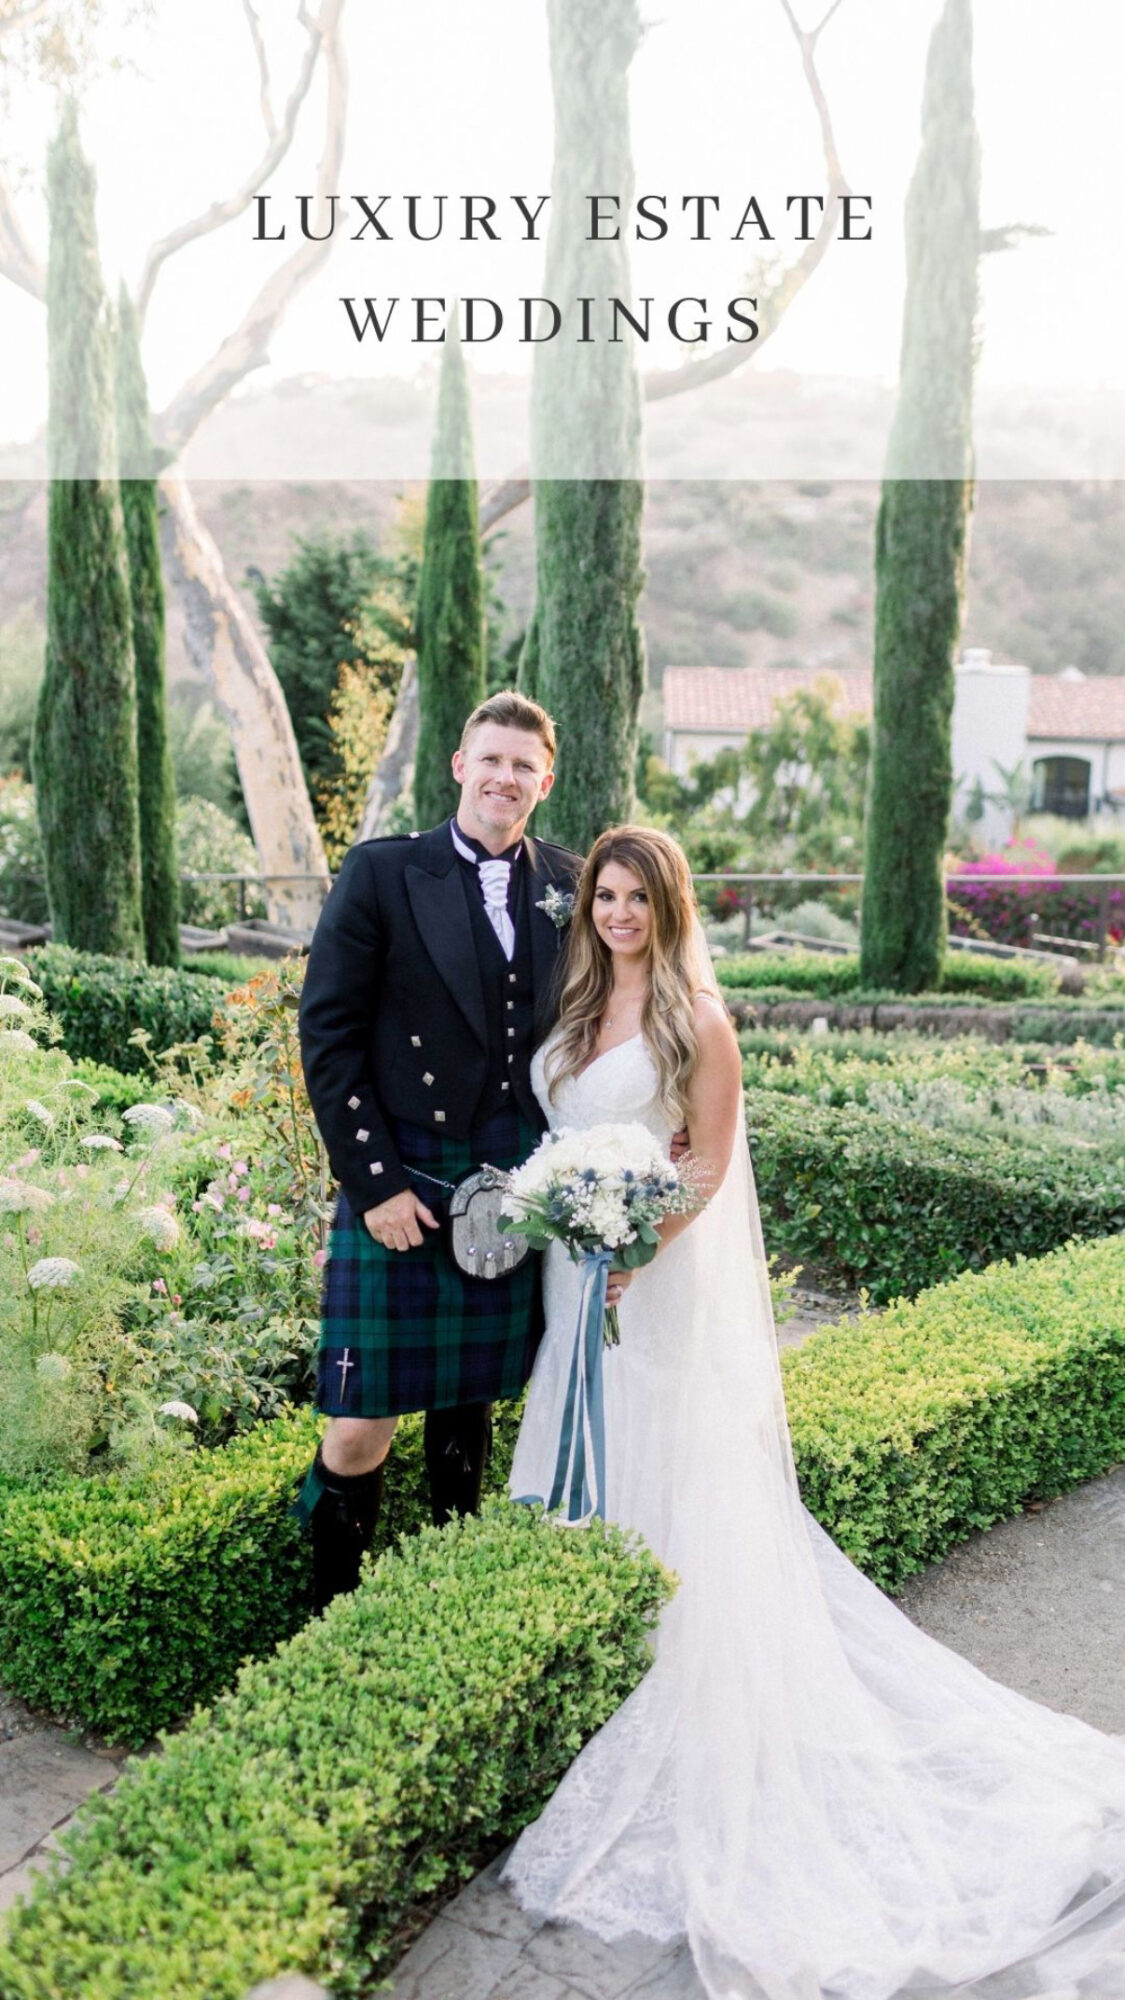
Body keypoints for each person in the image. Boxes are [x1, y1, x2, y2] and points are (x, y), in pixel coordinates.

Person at [503, 824, 1125, 2000]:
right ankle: (573, 1664)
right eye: (605, 893)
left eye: (638, 896)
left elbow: (707, 1167)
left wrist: (634, 1244)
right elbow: (563, 1130)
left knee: (660, 1464)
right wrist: (565, 1222)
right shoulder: (577, 1001)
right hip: (566, 1276)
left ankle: (663, 1689)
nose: (619, 912)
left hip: (649, 1277)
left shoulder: (702, 1023)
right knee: (573, 1442)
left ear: (671, 906)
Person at [296, 691, 581, 1613]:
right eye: (489, 759)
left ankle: (441, 1610)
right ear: (460, 766)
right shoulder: (384, 873)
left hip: (513, 1183)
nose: (505, 778)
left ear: (545, 779)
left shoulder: (574, 887)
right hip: (406, 1180)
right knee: (358, 1429)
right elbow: (330, 1035)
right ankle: (331, 1613)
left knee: (468, 1413)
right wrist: (371, 1182)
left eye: (522, 766)